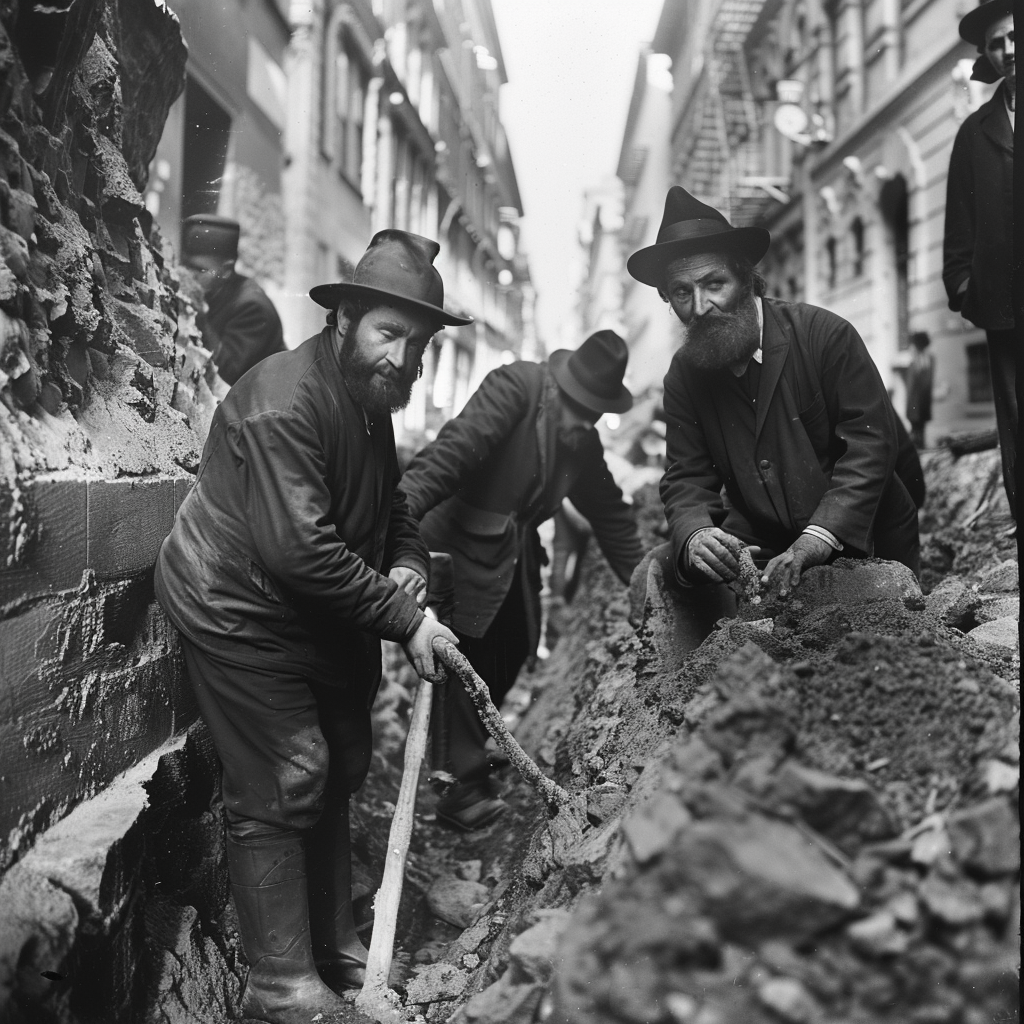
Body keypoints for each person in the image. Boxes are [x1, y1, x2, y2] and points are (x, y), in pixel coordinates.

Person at [154, 230, 464, 1024]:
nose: (403, 355)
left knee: (347, 759)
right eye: (389, 332)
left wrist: (409, 568)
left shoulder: (369, 399)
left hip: (310, 612)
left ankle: (331, 938)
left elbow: (393, 508)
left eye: (417, 341)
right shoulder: (284, 404)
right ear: (346, 319)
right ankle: (279, 983)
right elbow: (300, 552)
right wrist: (408, 621)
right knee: (290, 774)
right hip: (238, 608)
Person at [625, 186, 920, 638]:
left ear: (745, 279)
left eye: (714, 284)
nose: (701, 307)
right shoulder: (684, 374)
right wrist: (696, 534)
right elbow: (685, 475)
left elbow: (872, 444)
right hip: (773, 555)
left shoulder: (825, 335)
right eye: (682, 292)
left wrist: (820, 535)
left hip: (868, 545)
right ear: (668, 299)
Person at [399, 330, 645, 830]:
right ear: (561, 387)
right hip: (457, 544)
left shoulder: (582, 441)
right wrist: (392, 520)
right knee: (465, 651)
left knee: (517, 643)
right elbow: (451, 455)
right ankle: (457, 785)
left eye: (595, 412)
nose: (584, 421)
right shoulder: (516, 387)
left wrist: (644, 579)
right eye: (580, 406)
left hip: (511, 556)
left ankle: (475, 742)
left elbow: (611, 515)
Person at [943, 0, 1015, 528]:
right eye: (996, 43)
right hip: (1006, 311)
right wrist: (969, 289)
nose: (1009, 49)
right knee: (1018, 432)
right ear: (987, 55)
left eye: (1016, 36)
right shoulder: (976, 133)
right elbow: (958, 231)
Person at [181, 214, 287, 386]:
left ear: (226, 270)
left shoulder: (253, 307)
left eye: (200, 270)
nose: (189, 275)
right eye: (186, 265)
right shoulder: (212, 290)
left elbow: (228, 376)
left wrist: (200, 319)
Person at [905, 331, 935, 449]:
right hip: (917, 401)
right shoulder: (917, 360)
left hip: (920, 400)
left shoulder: (924, 359)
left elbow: (919, 382)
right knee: (917, 427)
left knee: (919, 427)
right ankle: (917, 445)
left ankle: (919, 445)